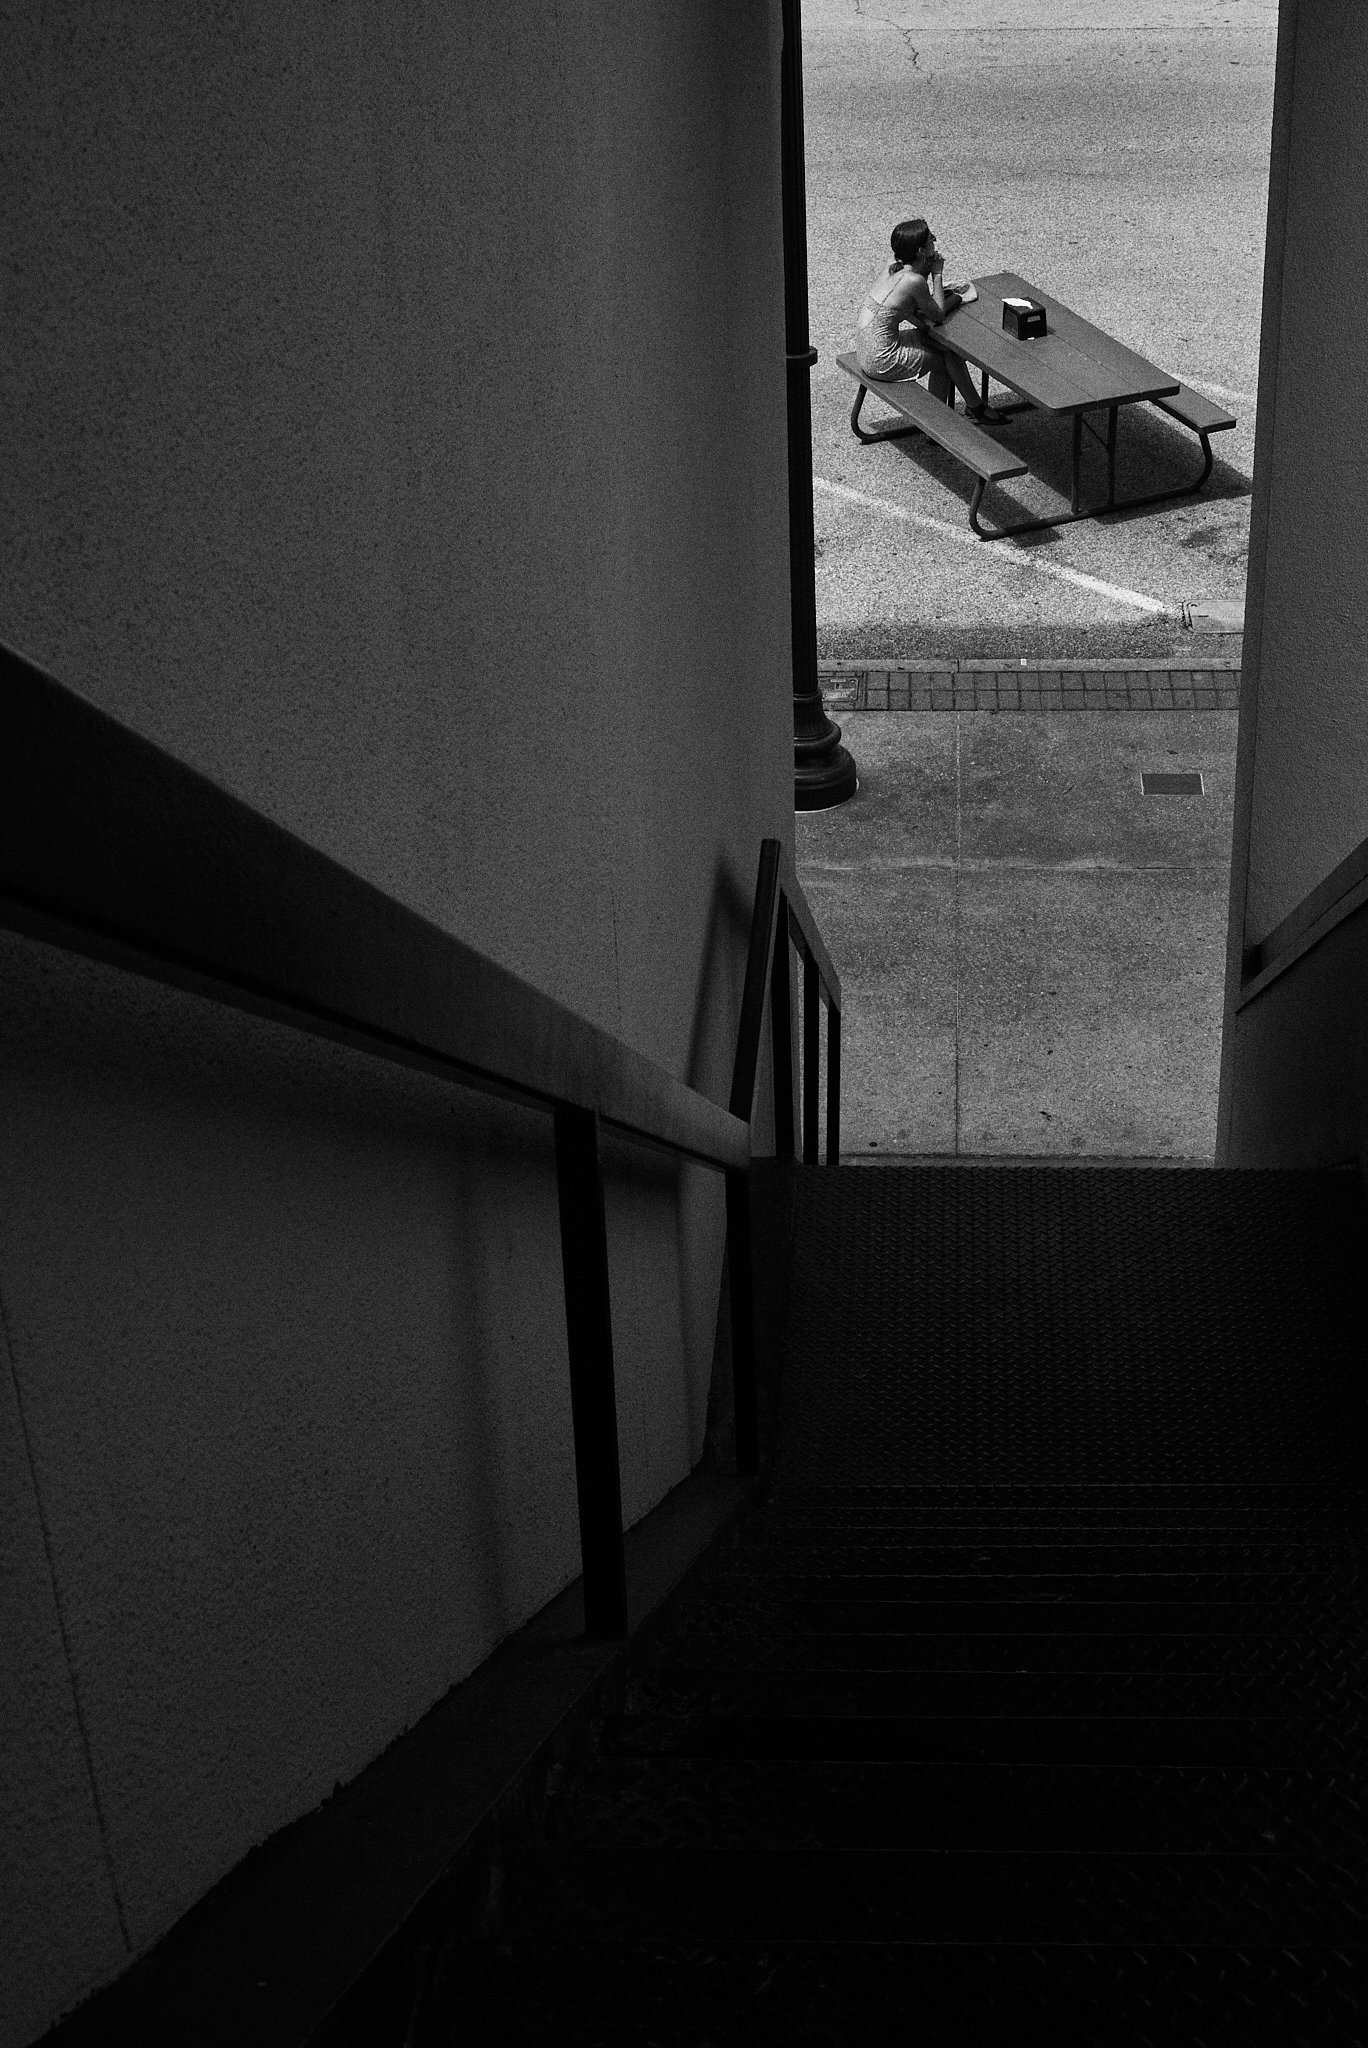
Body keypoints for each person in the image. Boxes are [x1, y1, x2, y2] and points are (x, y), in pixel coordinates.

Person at [854, 218, 1006, 422]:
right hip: (881, 360)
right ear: (920, 251)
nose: (935, 242)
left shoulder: (893, 266)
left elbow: (914, 306)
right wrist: (937, 274)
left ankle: (974, 406)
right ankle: (947, 419)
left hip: (866, 349)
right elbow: (937, 315)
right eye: (930, 240)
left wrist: (925, 270)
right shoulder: (913, 281)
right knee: (946, 358)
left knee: (947, 348)